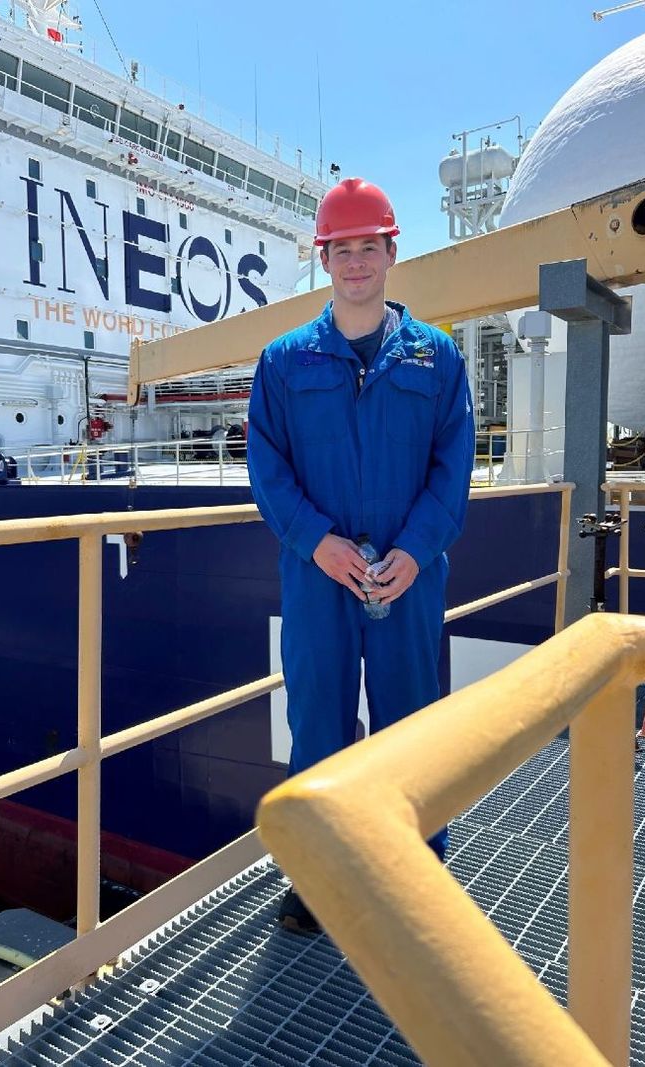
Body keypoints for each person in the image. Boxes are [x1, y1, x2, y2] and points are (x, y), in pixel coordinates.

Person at [247, 177, 475, 933]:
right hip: (318, 580)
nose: (353, 264)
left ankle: (418, 871)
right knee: (320, 724)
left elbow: (453, 465)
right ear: (324, 259)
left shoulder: (437, 359)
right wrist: (316, 542)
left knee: (412, 721)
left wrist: (415, 550)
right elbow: (266, 465)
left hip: (408, 579)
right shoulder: (283, 362)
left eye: (366, 248)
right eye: (340, 250)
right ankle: (317, 879)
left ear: (390, 252)